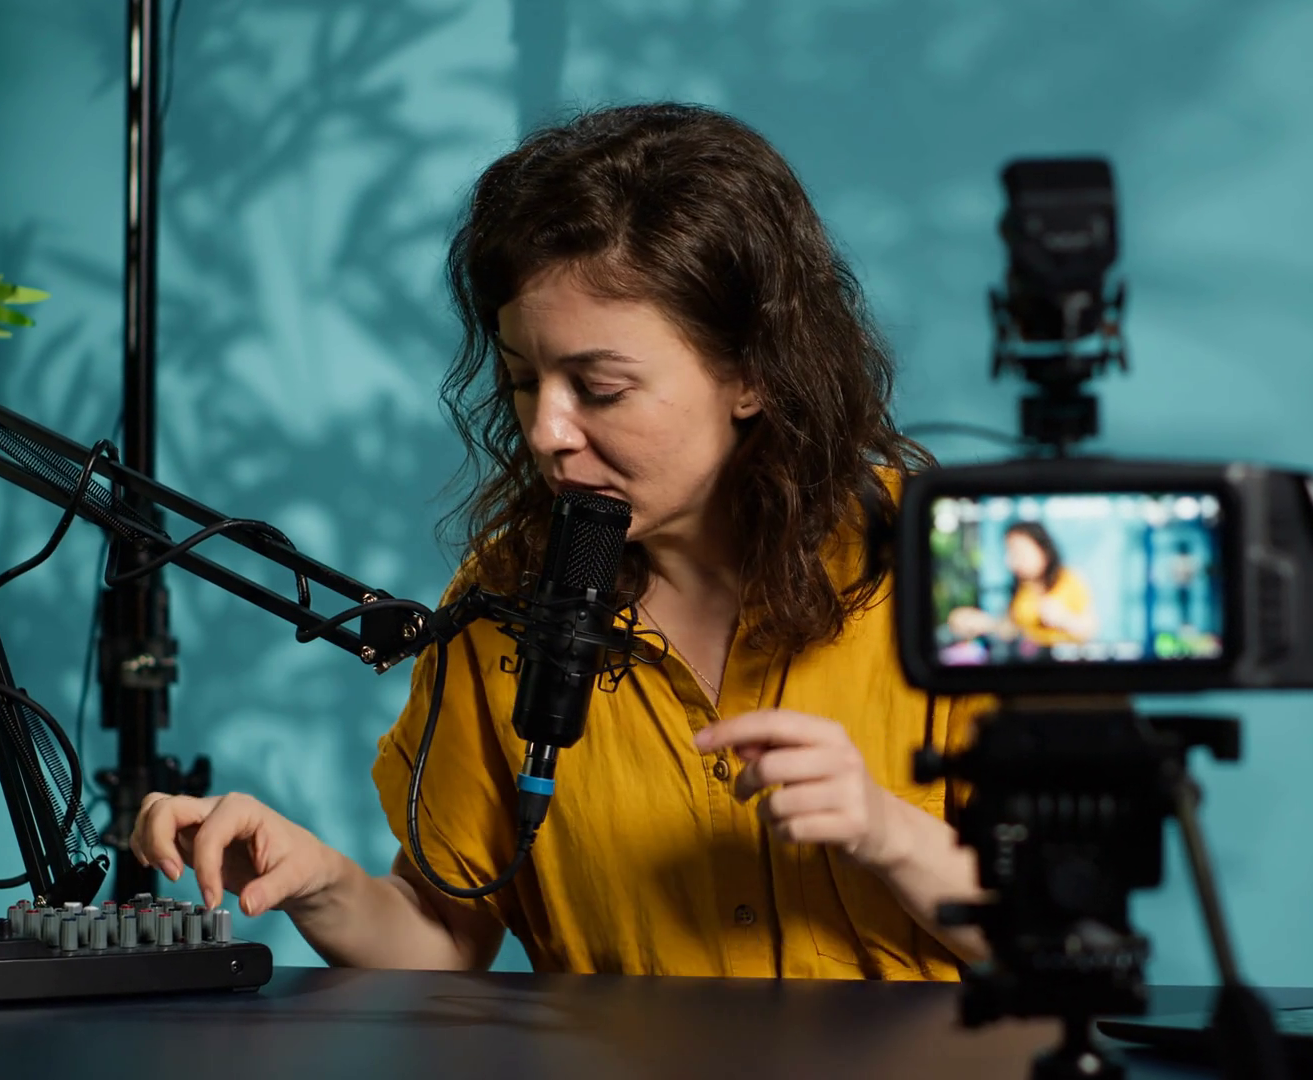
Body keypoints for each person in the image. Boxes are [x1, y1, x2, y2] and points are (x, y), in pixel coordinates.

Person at [128, 103, 993, 980]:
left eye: (601, 388)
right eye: (522, 381)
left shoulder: (956, 566)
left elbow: (1059, 936)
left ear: (751, 372)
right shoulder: (502, 597)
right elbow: (443, 937)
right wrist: (318, 883)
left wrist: (886, 831)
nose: (547, 432)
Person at [945, 521, 1098, 648]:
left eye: (1018, 552)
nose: (1010, 561)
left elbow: (1089, 629)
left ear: (1042, 549)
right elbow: (1011, 630)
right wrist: (984, 623)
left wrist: (1063, 618)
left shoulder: (1069, 578)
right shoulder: (1021, 588)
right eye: (1009, 552)